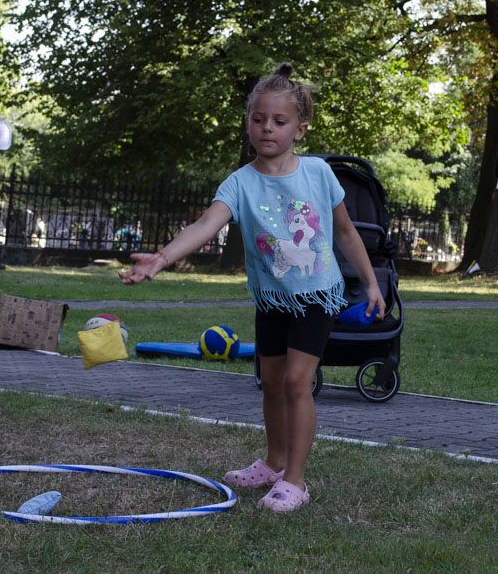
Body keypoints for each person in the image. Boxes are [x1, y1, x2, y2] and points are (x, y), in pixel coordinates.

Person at [119, 62, 384, 513]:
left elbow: (345, 232)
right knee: (271, 383)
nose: (267, 128)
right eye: (258, 119)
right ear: (247, 123)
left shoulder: (318, 173)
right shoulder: (240, 182)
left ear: (300, 128)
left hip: (317, 294)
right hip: (272, 298)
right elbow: (207, 223)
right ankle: (275, 462)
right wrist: (161, 258)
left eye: (279, 121)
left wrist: (373, 283)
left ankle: (296, 482)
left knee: (299, 383)